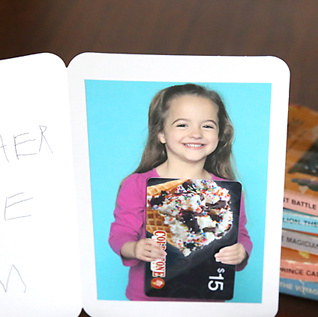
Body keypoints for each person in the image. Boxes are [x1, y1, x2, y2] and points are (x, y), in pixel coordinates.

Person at [108, 84, 253, 300]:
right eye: (182, 124)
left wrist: (241, 252)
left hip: (207, 302)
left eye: (208, 126)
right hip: (147, 302)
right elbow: (120, 233)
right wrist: (134, 248)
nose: (196, 134)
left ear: (220, 135)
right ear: (161, 133)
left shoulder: (226, 191)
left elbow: (240, 235)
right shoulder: (137, 184)